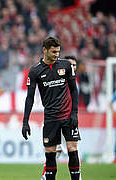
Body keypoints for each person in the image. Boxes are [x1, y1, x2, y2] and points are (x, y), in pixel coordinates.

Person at [22, 37, 81, 180]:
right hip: (50, 118)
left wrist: (74, 113)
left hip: (68, 116)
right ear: (45, 50)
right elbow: (29, 97)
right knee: (50, 154)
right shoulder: (35, 71)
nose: (56, 55)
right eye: (53, 52)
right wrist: (25, 122)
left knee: (73, 150)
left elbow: (74, 90)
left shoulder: (66, 65)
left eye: (58, 52)